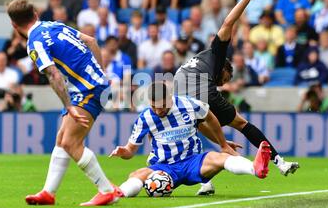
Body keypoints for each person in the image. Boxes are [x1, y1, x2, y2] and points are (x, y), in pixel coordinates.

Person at [174, 0, 299, 197]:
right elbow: (228, 22)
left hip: (178, 94)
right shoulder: (217, 54)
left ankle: (204, 183)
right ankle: (279, 162)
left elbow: (203, 122)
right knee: (242, 124)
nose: (223, 84)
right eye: (226, 79)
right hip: (198, 88)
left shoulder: (197, 61)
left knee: (191, 133)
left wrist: (219, 140)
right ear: (224, 68)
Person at [6, 0, 119, 206]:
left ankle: (106, 191)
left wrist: (68, 106)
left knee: (70, 142)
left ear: (14, 25)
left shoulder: (35, 42)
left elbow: (53, 75)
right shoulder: (54, 24)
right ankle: (48, 192)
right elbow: (91, 41)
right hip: (92, 85)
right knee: (62, 139)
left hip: (88, 89)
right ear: (36, 14)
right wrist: (101, 72)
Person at [110, 81, 272, 198]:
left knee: (221, 157)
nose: (158, 110)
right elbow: (130, 150)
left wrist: (222, 144)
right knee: (138, 174)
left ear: (170, 98)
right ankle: (117, 194)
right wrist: (123, 151)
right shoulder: (145, 117)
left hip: (193, 161)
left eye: (161, 106)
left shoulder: (189, 104)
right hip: (164, 167)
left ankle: (256, 169)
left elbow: (210, 118)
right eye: (153, 106)